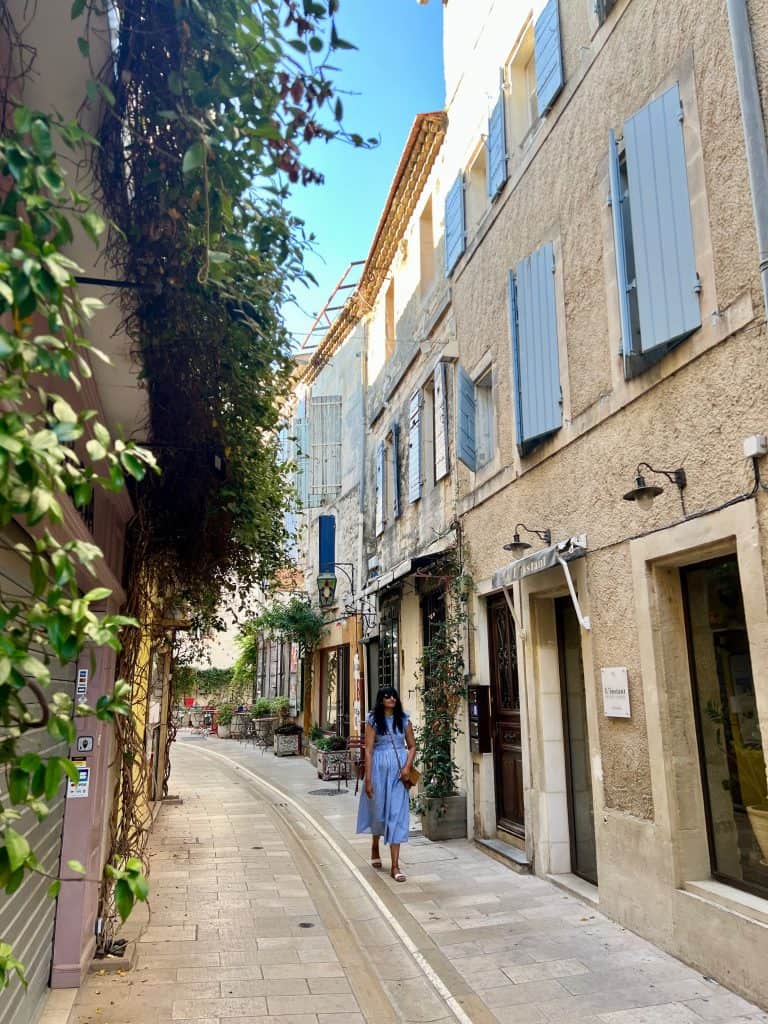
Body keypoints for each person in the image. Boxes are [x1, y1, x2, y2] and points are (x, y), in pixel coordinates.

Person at [356, 686, 416, 882]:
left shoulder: (404, 720)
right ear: (381, 700)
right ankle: (375, 845)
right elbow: (368, 750)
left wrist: (407, 767)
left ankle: (395, 866)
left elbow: (412, 746)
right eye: (387, 696)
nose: (391, 699)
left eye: (394, 696)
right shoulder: (374, 720)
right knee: (379, 812)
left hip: (399, 774)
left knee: (396, 815)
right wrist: (368, 779)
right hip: (379, 771)